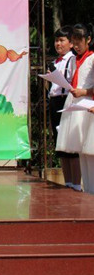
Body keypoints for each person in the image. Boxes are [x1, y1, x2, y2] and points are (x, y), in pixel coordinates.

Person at [56, 23, 94, 192]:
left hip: (88, 104)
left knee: (89, 148)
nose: (77, 46)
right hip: (75, 103)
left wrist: (84, 91)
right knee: (80, 150)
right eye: (74, 42)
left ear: (88, 40)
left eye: (79, 42)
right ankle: (86, 189)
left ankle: (91, 189)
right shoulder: (73, 60)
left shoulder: (92, 58)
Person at [48, 26, 78, 189]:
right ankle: (67, 182)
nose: (58, 44)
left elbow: (72, 82)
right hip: (55, 101)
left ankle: (76, 183)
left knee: (70, 143)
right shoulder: (55, 62)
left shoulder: (72, 60)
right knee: (60, 143)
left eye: (62, 40)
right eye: (56, 41)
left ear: (71, 43)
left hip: (66, 100)